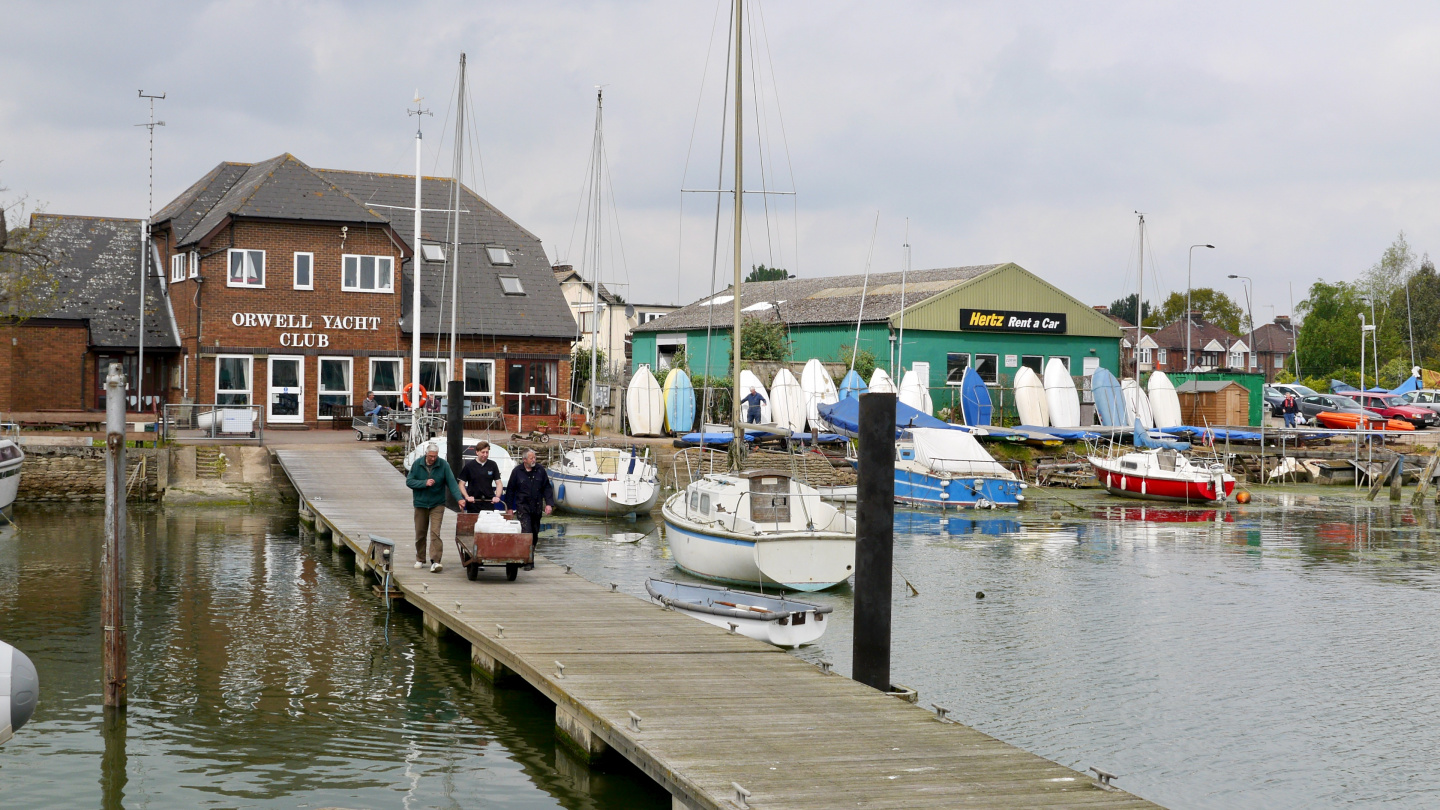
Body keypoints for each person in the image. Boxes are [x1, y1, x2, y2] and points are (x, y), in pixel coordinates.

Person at [406, 442, 462, 573]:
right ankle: (420, 558)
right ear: (426, 454)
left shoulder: (443, 465)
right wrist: (424, 483)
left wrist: (459, 498)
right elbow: (409, 481)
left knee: (435, 533)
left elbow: (452, 483)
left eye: (435, 456)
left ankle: (435, 561)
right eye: (431, 456)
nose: (433, 458)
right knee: (420, 533)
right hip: (420, 503)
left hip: (437, 503)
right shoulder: (417, 464)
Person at [504, 448, 554, 568]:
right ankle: (527, 561)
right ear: (524, 459)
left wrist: (549, 504)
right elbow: (510, 490)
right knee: (526, 532)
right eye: (531, 458)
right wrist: (509, 508)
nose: (534, 460)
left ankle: (529, 555)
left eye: (535, 458)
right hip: (523, 506)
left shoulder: (540, 470)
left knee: (535, 533)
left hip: (536, 506)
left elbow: (547, 488)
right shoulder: (517, 471)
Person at [458, 440, 503, 513]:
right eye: (483, 452)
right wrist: (467, 497)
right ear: (477, 452)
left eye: (487, 452)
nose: (485, 454)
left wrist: (497, 497)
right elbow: (461, 484)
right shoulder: (469, 466)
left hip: (489, 502)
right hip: (473, 502)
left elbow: (499, 483)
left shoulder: (493, 465)